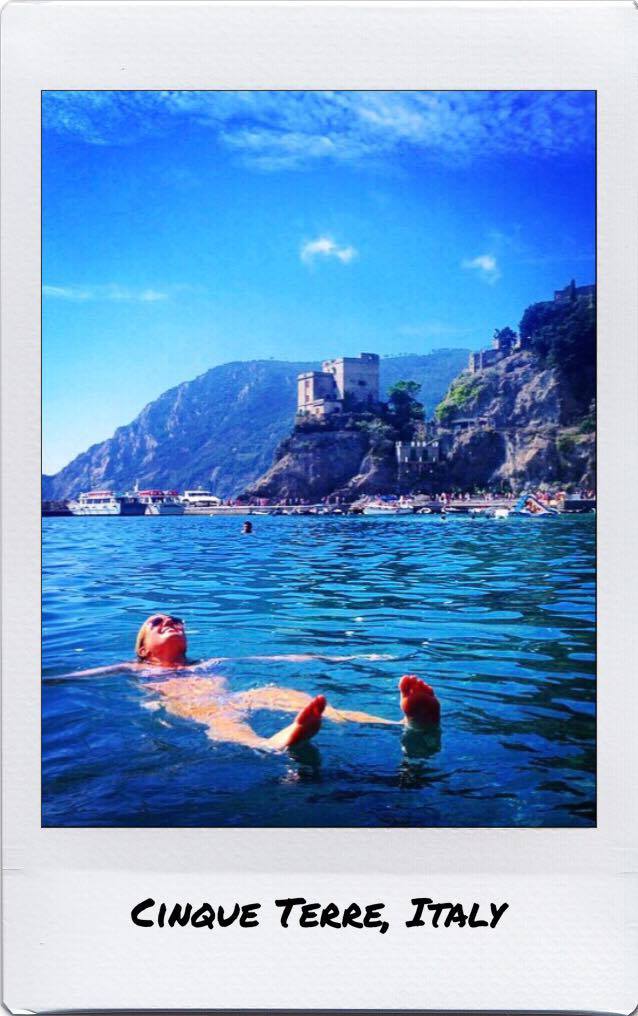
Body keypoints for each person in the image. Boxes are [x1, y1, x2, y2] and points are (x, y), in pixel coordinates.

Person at [59, 613, 440, 752]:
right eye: (156, 624)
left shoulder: (208, 662)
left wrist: (341, 657)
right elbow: (74, 678)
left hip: (239, 695)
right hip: (198, 707)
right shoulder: (134, 669)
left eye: (175, 620)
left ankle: (403, 724)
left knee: (286, 694)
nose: (169, 623)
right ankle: (274, 743)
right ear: (142, 649)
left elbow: (273, 659)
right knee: (223, 723)